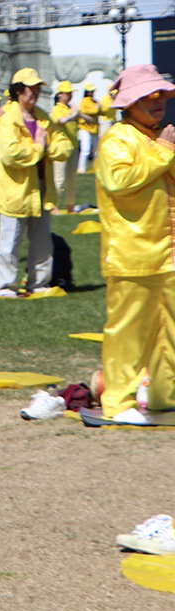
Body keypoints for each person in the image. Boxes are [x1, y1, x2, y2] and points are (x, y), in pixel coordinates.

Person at [94, 64, 175, 423]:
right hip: (132, 255)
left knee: (169, 333)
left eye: (162, 95)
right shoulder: (118, 139)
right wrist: (165, 151)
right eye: (150, 95)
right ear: (130, 102)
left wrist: (164, 149)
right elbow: (120, 181)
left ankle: (163, 396)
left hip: (168, 253)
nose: (159, 101)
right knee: (128, 333)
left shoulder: (158, 138)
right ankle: (118, 403)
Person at [0, 67, 74, 297]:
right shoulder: (8, 120)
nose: (35, 92)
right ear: (18, 90)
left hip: (41, 188)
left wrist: (47, 148)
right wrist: (39, 148)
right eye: (31, 88)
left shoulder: (43, 117)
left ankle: (39, 283)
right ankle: (6, 286)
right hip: (15, 190)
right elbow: (11, 155)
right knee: (10, 242)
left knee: (42, 242)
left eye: (38, 87)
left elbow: (64, 144)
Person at [49, 81, 80, 213]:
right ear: (60, 95)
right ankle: (54, 206)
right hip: (61, 148)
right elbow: (61, 120)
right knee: (59, 179)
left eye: (70, 93)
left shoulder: (71, 109)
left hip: (74, 146)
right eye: (67, 93)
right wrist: (74, 114)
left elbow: (89, 120)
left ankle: (70, 206)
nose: (69, 96)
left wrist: (77, 113)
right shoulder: (57, 109)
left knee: (72, 179)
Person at [77, 86, 102, 173]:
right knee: (85, 150)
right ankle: (81, 169)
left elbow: (101, 112)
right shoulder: (84, 101)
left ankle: (96, 168)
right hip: (85, 128)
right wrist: (96, 108)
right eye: (89, 91)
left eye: (92, 91)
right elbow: (87, 111)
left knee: (97, 150)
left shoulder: (94, 102)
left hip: (94, 129)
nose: (91, 93)